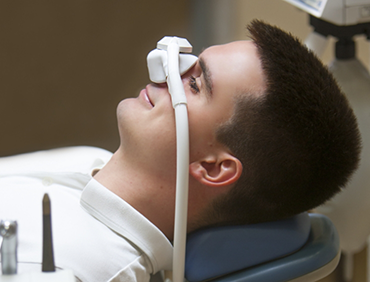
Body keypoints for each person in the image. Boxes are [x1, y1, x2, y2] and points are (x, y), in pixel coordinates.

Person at [0, 19, 361, 282]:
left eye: (194, 83)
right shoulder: (88, 159)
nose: (165, 70)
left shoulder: (85, 270)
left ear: (213, 167)